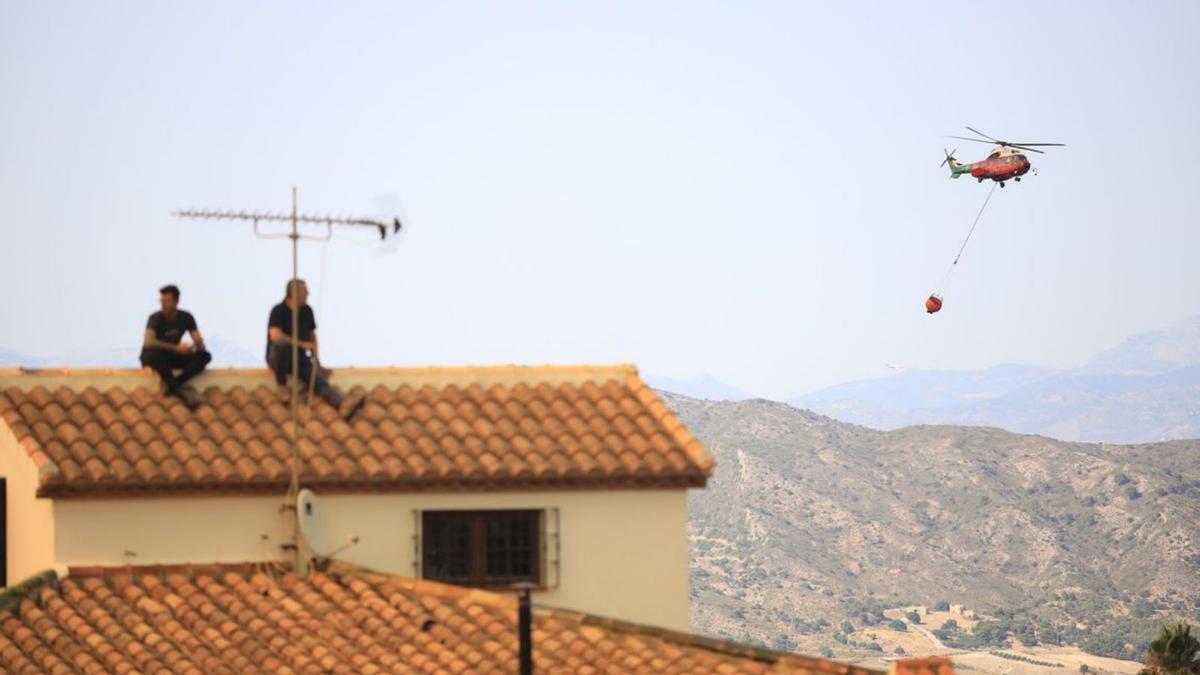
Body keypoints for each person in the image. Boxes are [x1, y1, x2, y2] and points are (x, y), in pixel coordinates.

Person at [266, 279, 365, 421]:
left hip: (299, 359)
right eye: (305, 291)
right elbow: (275, 336)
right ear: (294, 293)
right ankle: (282, 386)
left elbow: (312, 337)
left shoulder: (307, 311)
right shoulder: (279, 310)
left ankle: (342, 404)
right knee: (282, 346)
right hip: (280, 358)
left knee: (317, 378)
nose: (308, 294)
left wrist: (317, 361)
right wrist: (300, 344)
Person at [140, 284, 211, 409]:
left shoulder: (186, 317)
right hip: (156, 355)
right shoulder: (155, 318)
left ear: (176, 301)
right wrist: (176, 348)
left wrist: (198, 345)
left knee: (205, 356)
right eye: (161, 301)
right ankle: (178, 390)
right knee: (152, 355)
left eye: (166, 301)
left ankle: (175, 384)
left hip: (173, 355)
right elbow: (149, 342)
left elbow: (197, 338)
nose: (163, 304)